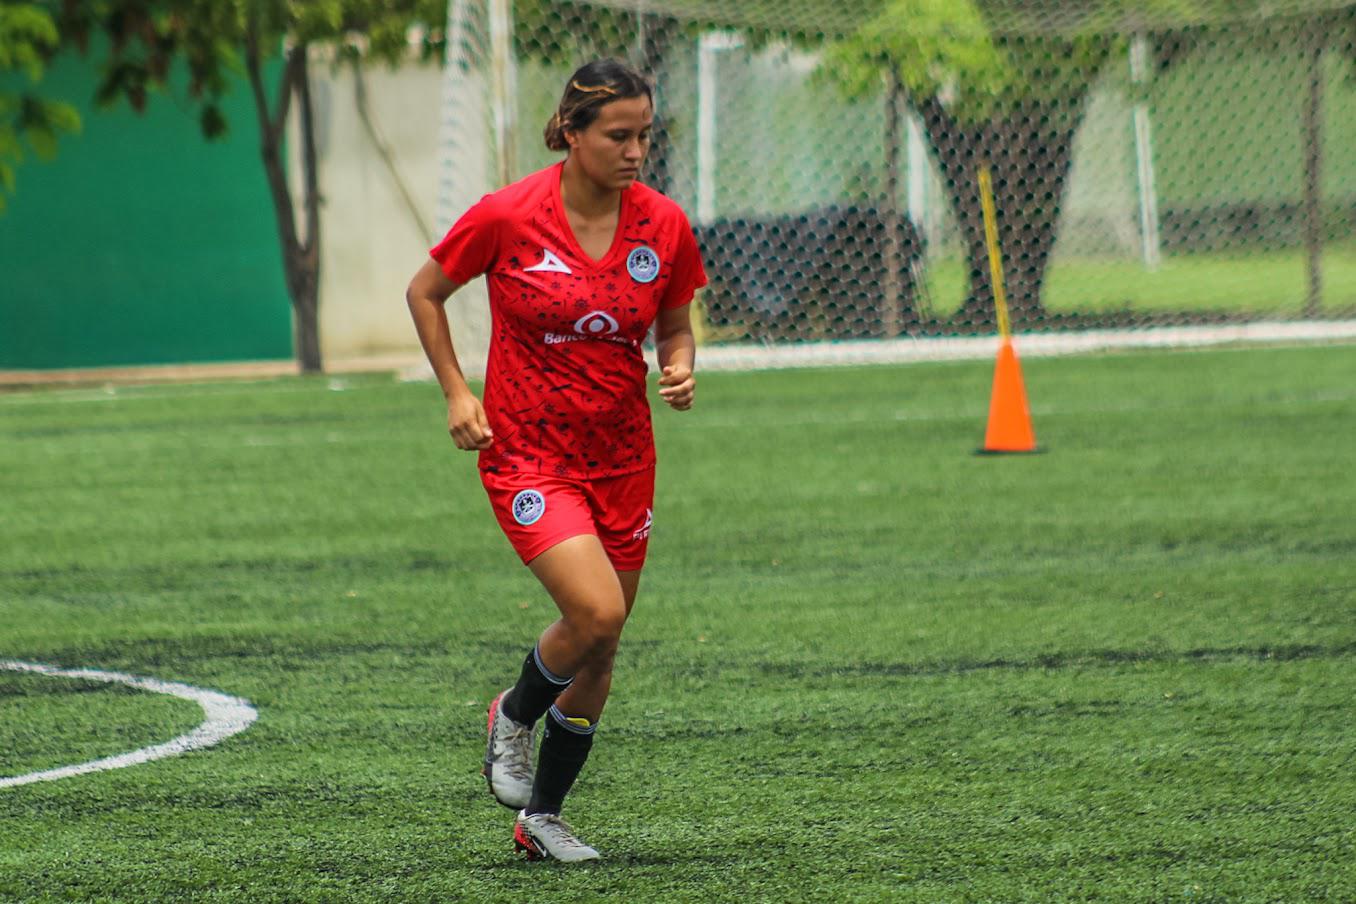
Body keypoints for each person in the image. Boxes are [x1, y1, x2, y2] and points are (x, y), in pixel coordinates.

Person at [405, 59, 707, 862]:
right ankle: (511, 713)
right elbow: (425, 291)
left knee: (603, 648)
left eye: (645, 134)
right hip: (530, 456)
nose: (636, 149)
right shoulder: (509, 215)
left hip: (623, 458)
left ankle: (541, 819)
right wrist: (456, 394)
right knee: (597, 614)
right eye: (618, 134)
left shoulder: (665, 225)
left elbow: (674, 323)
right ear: (570, 133)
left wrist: (679, 363)